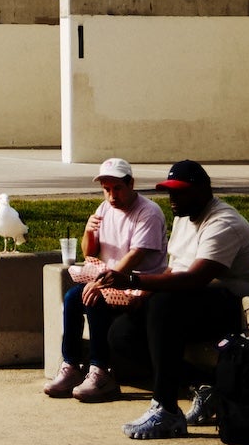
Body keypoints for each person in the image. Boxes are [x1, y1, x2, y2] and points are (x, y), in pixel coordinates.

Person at [96, 158, 249, 441]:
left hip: (233, 306)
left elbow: (195, 279)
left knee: (164, 305)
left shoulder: (223, 222)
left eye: (180, 192)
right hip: (191, 303)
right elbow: (174, 269)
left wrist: (133, 281)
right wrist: (142, 295)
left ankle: (166, 409)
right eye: (170, 192)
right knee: (122, 333)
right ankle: (205, 384)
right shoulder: (183, 216)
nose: (172, 199)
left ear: (203, 191)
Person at [43, 158, 167, 402]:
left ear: (131, 184)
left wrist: (100, 283)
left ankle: (101, 371)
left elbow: (136, 255)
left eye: (117, 188)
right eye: (107, 189)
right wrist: (88, 231)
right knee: (72, 297)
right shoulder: (104, 208)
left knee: (94, 298)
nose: (112, 196)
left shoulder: (148, 212)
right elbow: (89, 252)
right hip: (110, 280)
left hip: (138, 285)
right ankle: (71, 365)